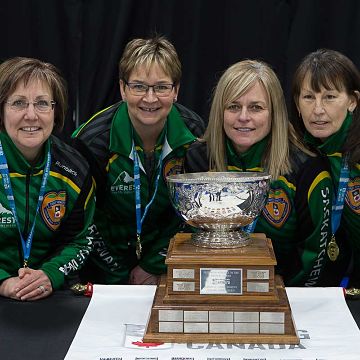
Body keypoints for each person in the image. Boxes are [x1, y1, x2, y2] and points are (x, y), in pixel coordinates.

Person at [185, 59, 338, 286]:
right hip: (212, 290)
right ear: (220, 111)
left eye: (256, 107)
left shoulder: (306, 167)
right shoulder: (198, 158)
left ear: (273, 112)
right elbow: (188, 240)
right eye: (233, 106)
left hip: (283, 296)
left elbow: (314, 254)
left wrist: (281, 298)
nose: (243, 117)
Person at [72, 36, 205, 285]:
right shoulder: (92, 141)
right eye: (139, 86)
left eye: (162, 87)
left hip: (164, 264)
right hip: (103, 266)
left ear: (176, 90)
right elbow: (85, 222)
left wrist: (153, 265)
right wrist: (118, 275)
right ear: (123, 89)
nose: (150, 99)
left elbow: (194, 214)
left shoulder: (195, 134)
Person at [0, 57, 96, 301]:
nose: (31, 115)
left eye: (42, 103)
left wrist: (50, 274)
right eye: (18, 103)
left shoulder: (75, 169)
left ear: (56, 110)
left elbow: (81, 240)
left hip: (51, 296)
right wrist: (3, 282)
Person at [292, 49, 360, 287]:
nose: (318, 109)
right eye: (309, 97)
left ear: (352, 101)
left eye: (330, 97)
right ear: (297, 104)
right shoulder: (299, 152)